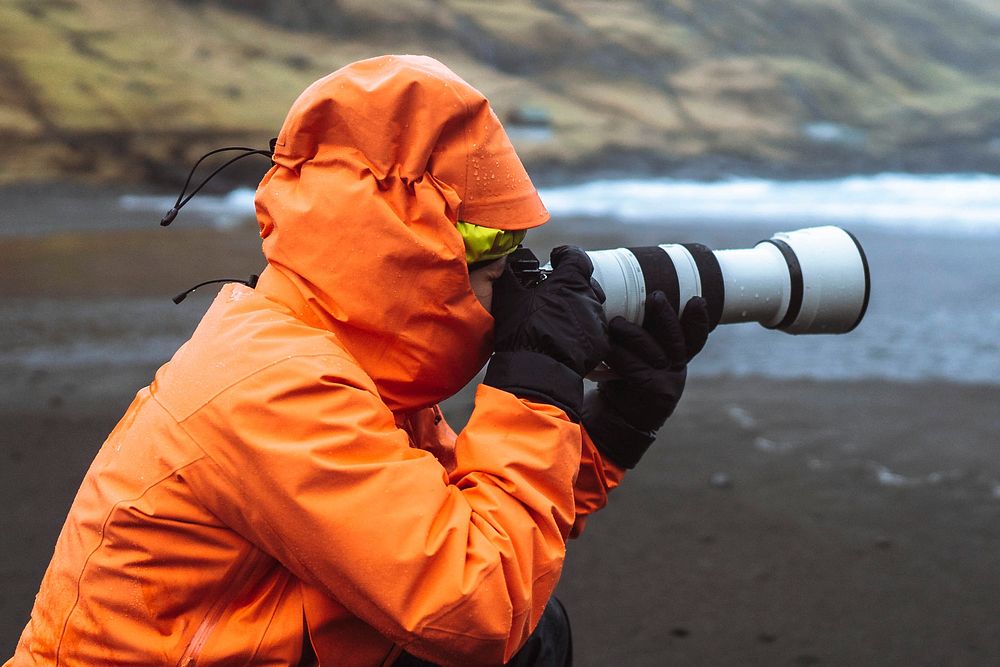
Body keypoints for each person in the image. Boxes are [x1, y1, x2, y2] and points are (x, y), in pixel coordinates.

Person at [7, 55, 708, 666]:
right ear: (408, 248)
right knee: (515, 641)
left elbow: (464, 530)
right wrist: (535, 382)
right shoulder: (274, 385)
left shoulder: (344, 361)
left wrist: (607, 431)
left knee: (534, 633)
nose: (512, 277)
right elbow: (476, 604)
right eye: (488, 251)